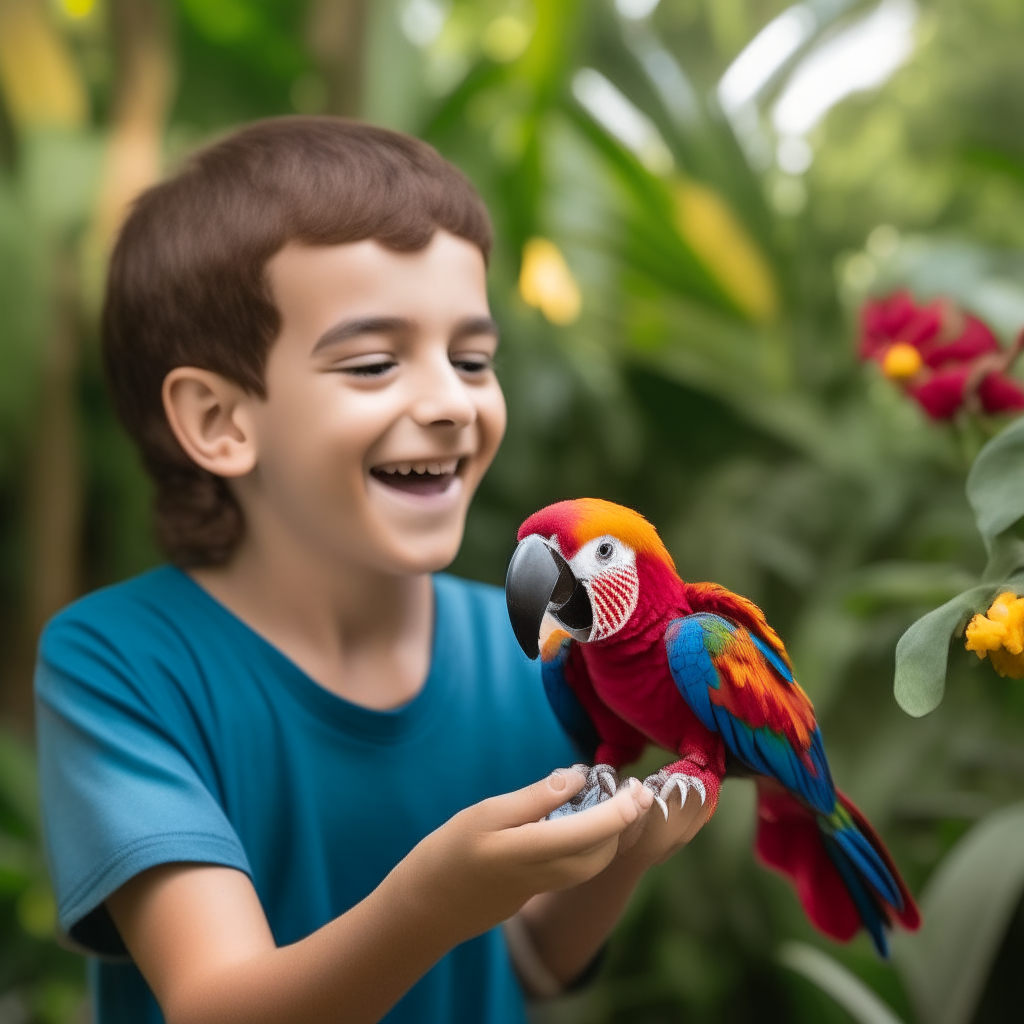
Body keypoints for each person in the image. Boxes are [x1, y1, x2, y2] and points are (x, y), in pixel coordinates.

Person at [35, 117, 709, 1024]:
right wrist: (428, 905)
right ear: (220, 421)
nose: (449, 402)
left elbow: (529, 967)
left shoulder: (538, 653)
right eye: (372, 362)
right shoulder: (119, 663)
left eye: (473, 358)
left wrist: (626, 848)